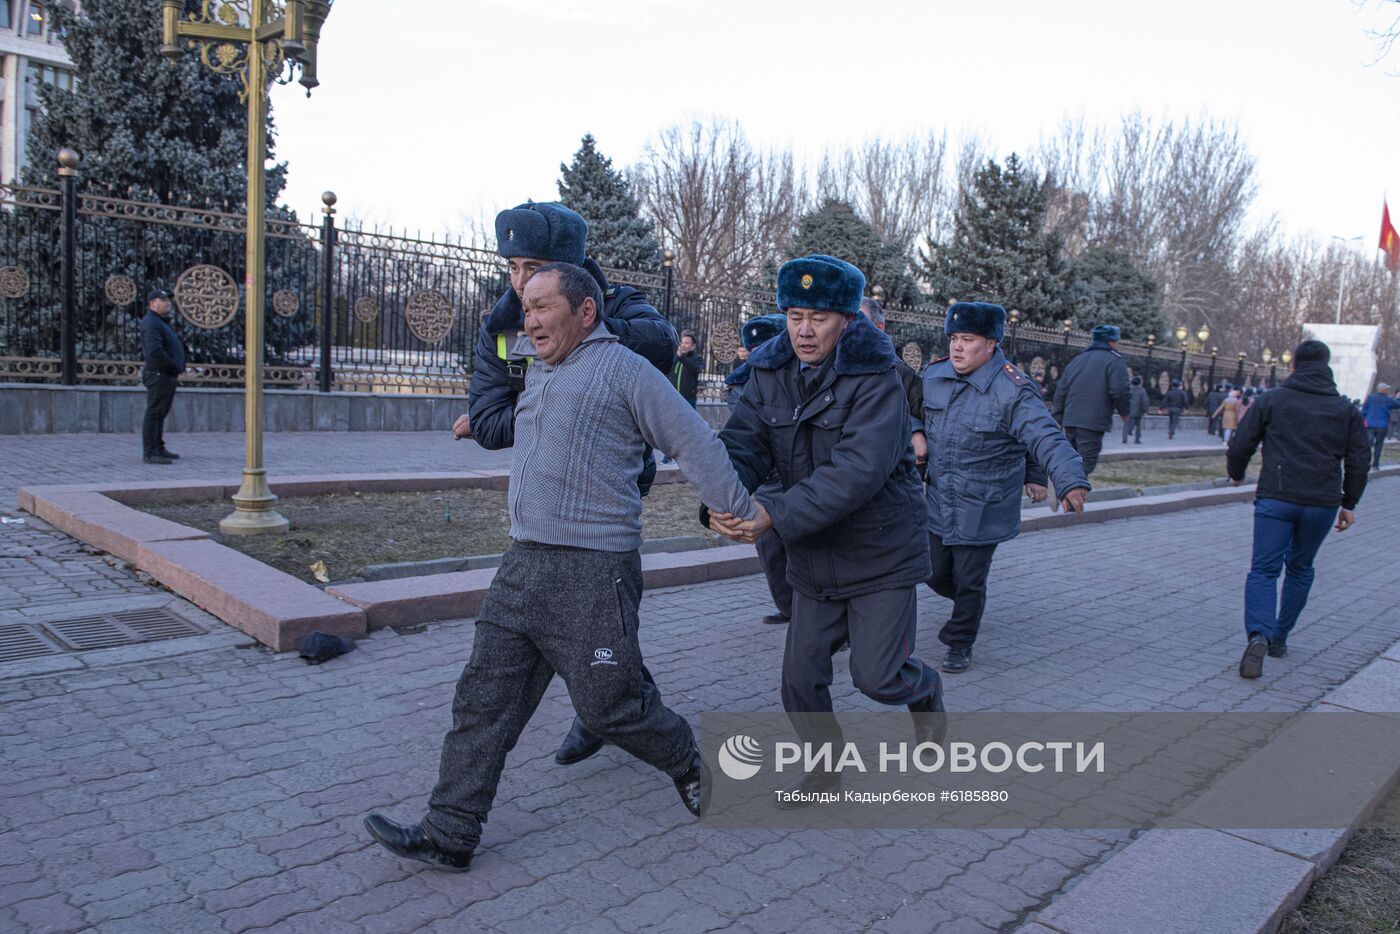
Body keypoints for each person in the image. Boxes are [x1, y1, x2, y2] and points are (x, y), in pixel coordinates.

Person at [364, 264, 759, 870]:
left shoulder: (625, 370)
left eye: (543, 306)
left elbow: (694, 440)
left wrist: (735, 507)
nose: (530, 320)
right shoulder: (540, 373)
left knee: (611, 708)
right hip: (521, 565)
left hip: (593, 571)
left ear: (586, 312)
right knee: (483, 700)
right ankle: (450, 831)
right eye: (526, 308)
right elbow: (495, 360)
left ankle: (687, 762)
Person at [708, 254, 944, 804]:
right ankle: (826, 771)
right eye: (793, 315)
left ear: (846, 319)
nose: (804, 330)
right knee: (800, 681)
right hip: (814, 555)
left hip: (879, 551)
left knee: (878, 678)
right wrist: (719, 502)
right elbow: (743, 444)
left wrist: (774, 515)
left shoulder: (877, 376)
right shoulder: (770, 371)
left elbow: (858, 472)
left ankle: (926, 693)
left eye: (818, 316)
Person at [451, 202, 679, 769]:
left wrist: (583, 334)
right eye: (512, 267)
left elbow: (662, 344)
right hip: (543, 499)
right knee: (588, 626)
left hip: (608, 491)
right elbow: (488, 420)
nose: (522, 284)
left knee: (595, 615)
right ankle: (607, 703)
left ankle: (611, 710)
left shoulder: (620, 306)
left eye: (535, 267)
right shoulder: (501, 326)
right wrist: (546, 407)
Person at [922, 303, 1091, 672]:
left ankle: (960, 641)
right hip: (938, 499)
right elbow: (906, 415)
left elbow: (1043, 436)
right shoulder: (933, 376)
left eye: (967, 339)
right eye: (953, 338)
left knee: (969, 579)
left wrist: (1068, 478)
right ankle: (969, 606)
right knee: (932, 571)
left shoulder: (1013, 390)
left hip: (984, 505)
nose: (957, 347)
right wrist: (917, 437)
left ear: (991, 343)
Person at [1226, 339, 1370, 678]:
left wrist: (1236, 474)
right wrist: (1349, 503)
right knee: (1301, 568)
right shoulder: (1345, 409)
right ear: (1327, 366)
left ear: (1294, 366)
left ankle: (1259, 633)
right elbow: (1359, 460)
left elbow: (1242, 441)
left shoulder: (1273, 400)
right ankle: (1279, 637)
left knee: (1263, 570)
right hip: (1322, 502)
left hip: (1276, 496)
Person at [722, 313, 793, 625]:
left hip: (800, 477)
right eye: (752, 348)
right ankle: (789, 606)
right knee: (771, 549)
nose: (756, 354)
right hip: (767, 479)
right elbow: (745, 436)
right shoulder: (741, 384)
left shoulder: (797, 374)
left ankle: (823, 620)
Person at [1052, 324, 1131, 475]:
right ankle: (1069, 494)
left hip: (1071, 420)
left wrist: (1057, 416)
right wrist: (1124, 412)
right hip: (1093, 421)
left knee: (1072, 459)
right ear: (1111, 342)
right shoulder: (1114, 360)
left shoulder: (1078, 360)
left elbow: (1061, 389)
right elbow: (1120, 390)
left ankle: (1064, 489)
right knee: (1086, 462)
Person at [860, 296, 929, 471]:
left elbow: (923, 417)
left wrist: (915, 430)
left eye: (858, 322)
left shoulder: (903, 374)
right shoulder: (830, 365)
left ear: (879, 328)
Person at [139, 288, 185, 465]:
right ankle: (150, 452)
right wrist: (174, 366)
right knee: (154, 412)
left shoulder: (160, 322)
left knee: (160, 413)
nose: (168, 303)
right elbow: (155, 351)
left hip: (165, 374)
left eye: (168, 300)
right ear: (152, 303)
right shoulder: (151, 323)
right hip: (159, 374)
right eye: (163, 300)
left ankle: (158, 447)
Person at [1361, 383, 1400, 470]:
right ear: (1385, 390)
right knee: (1379, 445)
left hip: (1370, 425)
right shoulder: (1388, 399)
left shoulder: (1370, 398)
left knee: (1367, 445)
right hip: (1382, 426)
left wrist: (1364, 421)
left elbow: (1363, 411)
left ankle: (1365, 463)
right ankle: (1375, 465)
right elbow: (1397, 404)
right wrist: (1398, 397)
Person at [671, 330, 702, 407]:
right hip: (673, 397)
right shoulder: (676, 358)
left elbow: (696, 369)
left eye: (687, 343)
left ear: (693, 346)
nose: (683, 345)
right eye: (682, 342)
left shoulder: (697, 358)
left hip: (688, 399)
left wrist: (682, 357)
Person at [1123, 375, 1150, 444]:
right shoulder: (1142, 390)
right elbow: (1145, 401)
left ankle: (1124, 438)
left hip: (1128, 409)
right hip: (1138, 411)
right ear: (1139, 382)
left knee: (1126, 424)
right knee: (1138, 425)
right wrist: (1146, 410)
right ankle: (1137, 439)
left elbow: (1123, 398)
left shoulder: (1127, 389)